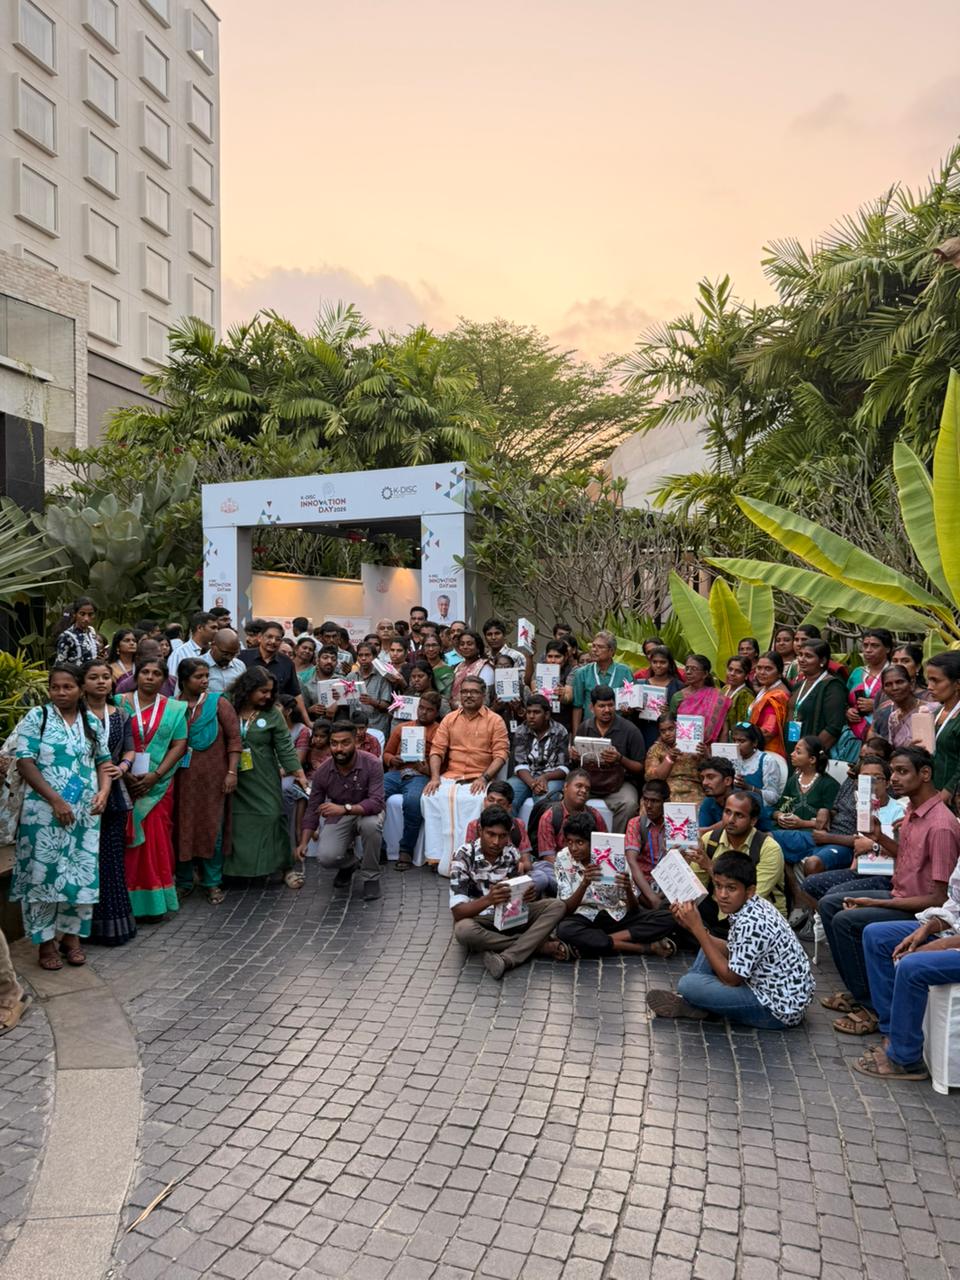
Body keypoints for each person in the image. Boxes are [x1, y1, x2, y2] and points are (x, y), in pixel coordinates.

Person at [818, 747, 958, 1035]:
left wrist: (873, 902)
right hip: (901, 894)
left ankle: (869, 1005)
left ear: (926, 774)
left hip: (920, 909)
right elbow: (906, 854)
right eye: (892, 771)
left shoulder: (941, 825)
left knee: (846, 920)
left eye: (902, 771)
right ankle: (861, 993)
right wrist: (880, 836)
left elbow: (939, 899)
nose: (894, 778)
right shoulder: (913, 812)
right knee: (831, 904)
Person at [13, 664, 112, 968]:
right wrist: (55, 800)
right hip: (42, 814)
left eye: (67, 687)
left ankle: (72, 939)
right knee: (42, 876)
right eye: (55, 687)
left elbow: (104, 762)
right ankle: (44, 944)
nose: (60, 692)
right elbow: (24, 762)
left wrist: (104, 793)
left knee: (80, 876)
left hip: (84, 815)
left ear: (80, 689)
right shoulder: (37, 717)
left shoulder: (90, 723)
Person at [646, 851, 814, 1027]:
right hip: (775, 990)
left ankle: (695, 1002)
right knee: (708, 942)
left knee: (688, 985)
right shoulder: (753, 905)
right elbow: (732, 948)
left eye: (731, 888)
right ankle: (698, 1002)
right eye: (718, 886)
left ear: (750, 891)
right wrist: (693, 928)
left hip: (777, 1009)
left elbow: (731, 979)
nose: (722, 895)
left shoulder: (751, 922)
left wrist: (697, 929)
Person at [855, 854, 960, 1082]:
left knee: (913, 966)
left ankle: (906, 1059)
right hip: (953, 932)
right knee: (876, 936)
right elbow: (955, 904)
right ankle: (892, 1031)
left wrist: (939, 945)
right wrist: (929, 927)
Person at [449, 805, 567, 980]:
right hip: (480, 919)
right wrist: (489, 899)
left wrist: (527, 895)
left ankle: (510, 953)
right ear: (480, 831)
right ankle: (536, 946)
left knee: (557, 905)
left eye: (503, 836)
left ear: (509, 834)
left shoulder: (511, 852)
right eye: (491, 834)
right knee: (463, 930)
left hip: (509, 917)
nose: (496, 842)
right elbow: (458, 912)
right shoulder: (463, 856)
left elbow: (515, 896)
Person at [554, 813, 678, 960]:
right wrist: (584, 884)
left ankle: (597, 941)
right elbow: (567, 908)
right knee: (565, 930)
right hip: (584, 917)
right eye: (569, 842)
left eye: (580, 842)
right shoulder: (563, 858)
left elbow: (634, 909)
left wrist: (627, 889)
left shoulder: (615, 858)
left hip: (616, 915)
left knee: (670, 916)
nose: (573, 848)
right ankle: (641, 947)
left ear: (592, 842)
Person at [120, 659, 188, 920]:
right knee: (125, 843)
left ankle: (153, 903)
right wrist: (125, 775)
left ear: (164, 679)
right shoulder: (119, 703)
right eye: (145, 672)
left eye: (156, 673)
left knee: (155, 841)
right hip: (122, 781)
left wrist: (155, 775)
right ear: (136, 676)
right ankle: (123, 901)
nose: (149, 677)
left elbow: (179, 744)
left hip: (158, 785)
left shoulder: (173, 708)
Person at [227, 667, 309, 884]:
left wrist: (298, 773)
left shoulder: (272, 713)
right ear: (248, 688)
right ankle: (232, 871)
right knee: (234, 821)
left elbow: (284, 745)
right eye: (262, 691)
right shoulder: (227, 706)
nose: (268, 696)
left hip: (263, 775)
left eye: (271, 692)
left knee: (273, 815)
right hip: (231, 774)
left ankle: (285, 868)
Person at [422, 676, 510, 874]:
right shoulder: (450, 718)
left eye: (474, 692)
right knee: (429, 796)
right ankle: (438, 856)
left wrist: (484, 778)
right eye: (465, 692)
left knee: (477, 800)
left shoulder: (495, 720)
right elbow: (437, 751)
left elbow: (501, 754)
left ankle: (471, 856)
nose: (468, 695)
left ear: (484, 695)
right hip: (451, 776)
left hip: (480, 777)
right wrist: (435, 777)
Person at [173, 658, 241, 905]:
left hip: (214, 779)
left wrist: (231, 772)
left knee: (213, 826)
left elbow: (234, 740)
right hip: (180, 779)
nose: (204, 681)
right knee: (182, 826)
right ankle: (184, 881)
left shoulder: (218, 703)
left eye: (206, 676)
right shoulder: (172, 706)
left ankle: (212, 882)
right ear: (183, 680)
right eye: (198, 677)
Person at [81, 659, 137, 946]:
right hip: (79, 792)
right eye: (94, 677)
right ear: (83, 683)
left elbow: (130, 749)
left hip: (114, 794)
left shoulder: (121, 714)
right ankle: (78, 930)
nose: (101, 682)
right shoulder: (73, 716)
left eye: (106, 677)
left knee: (111, 859)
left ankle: (113, 926)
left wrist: (123, 768)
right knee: (84, 860)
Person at [297, 722, 386, 900]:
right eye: (334, 743)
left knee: (371, 825)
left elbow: (376, 803)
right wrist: (303, 842)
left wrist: (344, 809)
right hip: (340, 814)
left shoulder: (372, 763)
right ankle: (349, 864)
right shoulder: (323, 771)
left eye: (345, 743)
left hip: (366, 812)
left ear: (356, 743)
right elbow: (313, 807)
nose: (339, 748)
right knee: (326, 858)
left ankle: (371, 878)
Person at [692, 791, 787, 918]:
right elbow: (696, 890)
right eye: (727, 812)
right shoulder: (710, 839)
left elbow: (752, 898)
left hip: (758, 918)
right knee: (676, 911)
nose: (731, 820)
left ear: (753, 821)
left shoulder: (769, 849)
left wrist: (710, 868)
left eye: (739, 815)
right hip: (718, 908)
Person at [569, 686, 645, 833]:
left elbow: (640, 767)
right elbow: (576, 765)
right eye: (601, 706)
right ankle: (578, 840)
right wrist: (575, 756)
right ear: (592, 708)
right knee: (569, 797)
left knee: (629, 804)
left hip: (619, 784)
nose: (607, 710)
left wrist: (620, 759)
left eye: (610, 705)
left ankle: (614, 843)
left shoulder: (630, 730)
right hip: (590, 782)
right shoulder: (584, 727)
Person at [382, 691, 443, 869]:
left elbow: (444, 762)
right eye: (421, 708)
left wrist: (429, 770)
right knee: (374, 794)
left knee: (412, 802)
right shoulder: (402, 728)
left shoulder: (440, 731)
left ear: (436, 712)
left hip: (419, 775)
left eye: (429, 710)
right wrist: (392, 760)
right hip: (396, 773)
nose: (423, 712)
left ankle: (406, 850)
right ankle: (379, 847)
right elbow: (386, 753)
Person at [772, 735, 840, 864]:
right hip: (789, 831)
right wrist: (781, 816)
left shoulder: (828, 784)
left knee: (768, 839)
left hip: (811, 835)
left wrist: (802, 823)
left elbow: (831, 823)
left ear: (812, 759)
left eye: (798, 752)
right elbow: (778, 809)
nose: (792, 754)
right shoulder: (793, 781)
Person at [833, 627, 894, 762]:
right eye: (865, 645)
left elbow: (905, 701)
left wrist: (876, 704)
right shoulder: (857, 672)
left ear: (888, 649)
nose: (868, 650)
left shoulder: (894, 673)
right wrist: (848, 711)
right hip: (854, 735)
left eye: (875, 645)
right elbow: (845, 700)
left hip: (882, 734)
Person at [507, 695, 569, 812]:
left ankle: (538, 830)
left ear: (546, 715)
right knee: (506, 796)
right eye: (529, 712)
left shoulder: (560, 731)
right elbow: (520, 764)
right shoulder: (521, 730)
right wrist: (533, 783)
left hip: (552, 777)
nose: (531, 716)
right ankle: (513, 829)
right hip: (525, 777)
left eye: (536, 712)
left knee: (544, 801)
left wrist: (544, 777)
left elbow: (563, 767)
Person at [238, 621, 309, 722]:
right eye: (269, 637)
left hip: (274, 717)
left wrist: (307, 721)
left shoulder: (287, 662)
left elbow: (296, 693)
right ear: (260, 637)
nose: (273, 641)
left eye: (278, 639)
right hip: (244, 714)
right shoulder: (242, 657)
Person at [566, 632, 633, 736]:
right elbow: (577, 707)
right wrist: (576, 736)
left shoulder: (624, 672)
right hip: (590, 729)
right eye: (593, 646)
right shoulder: (582, 673)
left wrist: (628, 710)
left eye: (600, 647)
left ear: (611, 651)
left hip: (618, 730)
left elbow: (632, 705)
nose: (594, 650)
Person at [786, 639, 847, 752]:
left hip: (812, 753)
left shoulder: (832, 686)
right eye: (800, 655)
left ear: (822, 660)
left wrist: (810, 752)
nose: (802, 659)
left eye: (808, 656)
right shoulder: (799, 685)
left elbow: (833, 727)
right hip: (793, 746)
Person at [730, 722, 784, 829]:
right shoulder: (731, 758)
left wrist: (749, 788)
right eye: (734, 740)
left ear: (754, 743)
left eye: (741, 741)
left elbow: (773, 798)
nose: (736, 745)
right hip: (733, 809)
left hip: (758, 813)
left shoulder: (767, 761)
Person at [644, 712, 703, 805]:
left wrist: (706, 755)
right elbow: (653, 779)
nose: (667, 734)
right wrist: (669, 759)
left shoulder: (694, 745)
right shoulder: (655, 749)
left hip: (693, 789)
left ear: (678, 727)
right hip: (667, 791)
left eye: (671, 729)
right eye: (663, 731)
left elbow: (707, 772)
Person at [669, 655, 730, 745]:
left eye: (694, 669)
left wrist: (719, 755)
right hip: (682, 748)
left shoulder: (718, 697)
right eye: (687, 668)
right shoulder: (677, 697)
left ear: (705, 674)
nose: (688, 672)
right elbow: (672, 725)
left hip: (709, 751)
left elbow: (724, 730)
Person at [625, 780, 671, 899]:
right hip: (642, 886)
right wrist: (653, 899)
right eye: (646, 799)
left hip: (669, 885)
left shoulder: (675, 826)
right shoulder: (636, 823)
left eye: (654, 801)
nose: (648, 805)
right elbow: (631, 861)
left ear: (666, 802)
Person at [924, 652, 960, 804]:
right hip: (933, 793)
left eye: (935, 681)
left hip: (951, 798)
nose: (929, 687)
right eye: (929, 680)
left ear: (957, 684)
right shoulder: (937, 712)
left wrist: (949, 790)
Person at [463, 781, 532, 854]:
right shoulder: (474, 825)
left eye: (501, 802)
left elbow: (525, 859)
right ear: (484, 801)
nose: (494, 805)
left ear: (509, 807)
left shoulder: (518, 825)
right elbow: (469, 855)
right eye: (491, 800)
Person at [635, 647, 683, 749]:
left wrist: (670, 711)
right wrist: (635, 708)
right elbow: (631, 714)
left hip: (669, 735)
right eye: (654, 662)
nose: (658, 665)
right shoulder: (641, 685)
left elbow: (684, 715)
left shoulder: (679, 687)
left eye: (662, 662)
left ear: (669, 663)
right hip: (644, 730)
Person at [747, 651, 791, 758]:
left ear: (780, 672)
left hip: (768, 752)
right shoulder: (765, 689)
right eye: (759, 668)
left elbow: (768, 731)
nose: (762, 672)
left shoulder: (778, 696)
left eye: (768, 669)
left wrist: (746, 744)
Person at [872, 663, 926, 749]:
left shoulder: (929, 710)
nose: (894, 688)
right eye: (888, 684)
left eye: (899, 682)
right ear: (883, 690)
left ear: (911, 684)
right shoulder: (893, 717)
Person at [353, 641, 396, 736]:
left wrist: (372, 702)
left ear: (374, 657)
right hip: (355, 728)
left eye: (367, 655)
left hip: (377, 728)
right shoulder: (351, 677)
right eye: (360, 655)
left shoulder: (383, 677)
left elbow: (386, 706)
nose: (363, 658)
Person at [169, 611, 218, 693]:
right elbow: (172, 683)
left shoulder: (214, 652)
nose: (217, 631)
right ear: (199, 628)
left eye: (217, 628)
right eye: (213, 628)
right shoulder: (180, 653)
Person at [449, 631, 494, 708]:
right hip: (455, 712)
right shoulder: (458, 667)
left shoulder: (485, 667)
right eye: (462, 644)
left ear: (478, 647)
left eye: (469, 644)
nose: (465, 647)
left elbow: (486, 699)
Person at [55, 597, 100, 666]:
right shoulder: (67, 636)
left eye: (90, 614)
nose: (86, 619)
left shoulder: (91, 632)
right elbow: (60, 664)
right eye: (82, 614)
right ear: (75, 614)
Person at [202, 627, 246, 695]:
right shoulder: (198, 665)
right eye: (225, 654)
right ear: (213, 645)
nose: (229, 658)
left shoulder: (240, 666)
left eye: (233, 654)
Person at [723, 656, 754, 734]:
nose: (732, 674)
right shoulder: (725, 688)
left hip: (734, 739)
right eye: (730, 669)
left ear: (746, 675)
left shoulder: (746, 695)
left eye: (738, 671)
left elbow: (743, 726)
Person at [420, 633, 455, 701]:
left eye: (434, 645)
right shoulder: (419, 668)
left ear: (441, 648)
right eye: (427, 645)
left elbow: (446, 696)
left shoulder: (447, 670)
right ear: (423, 649)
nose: (431, 649)